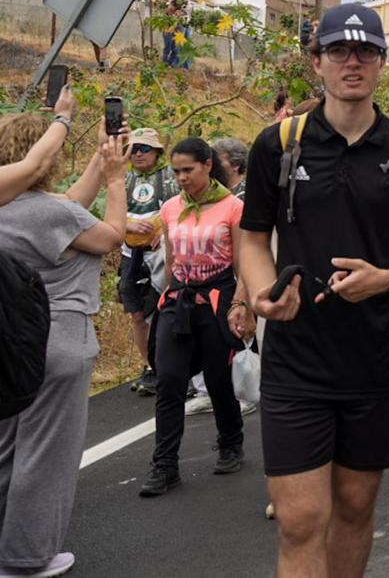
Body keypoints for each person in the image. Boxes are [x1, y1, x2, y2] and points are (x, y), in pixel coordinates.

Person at [237, 4, 389, 578]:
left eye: (366, 52)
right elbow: (253, 238)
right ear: (317, 63)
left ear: (383, 64)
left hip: (375, 357)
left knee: (356, 509)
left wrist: (386, 279)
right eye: (338, 51)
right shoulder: (277, 145)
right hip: (296, 359)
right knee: (301, 519)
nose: (352, 63)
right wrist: (261, 296)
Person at [0, 115, 128, 578]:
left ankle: (5, 543)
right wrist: (116, 178)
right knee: (48, 453)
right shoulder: (51, 214)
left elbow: (73, 202)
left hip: (10, 336)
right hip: (59, 336)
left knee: (8, 447)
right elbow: (112, 235)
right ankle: (27, 556)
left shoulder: (10, 206)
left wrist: (101, 153)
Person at [139, 138, 253, 496]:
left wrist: (241, 304)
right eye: (175, 172)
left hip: (219, 300)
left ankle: (231, 442)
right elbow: (172, 260)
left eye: (187, 170)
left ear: (207, 165)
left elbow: (243, 263)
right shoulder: (172, 208)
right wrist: (169, 298)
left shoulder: (233, 207)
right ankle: (165, 465)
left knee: (218, 379)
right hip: (179, 300)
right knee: (169, 380)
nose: (181, 178)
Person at [120, 128, 180, 398]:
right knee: (136, 313)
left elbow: (185, 206)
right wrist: (128, 224)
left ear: (157, 152)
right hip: (130, 251)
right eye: (133, 148)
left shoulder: (170, 176)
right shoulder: (122, 178)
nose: (138, 153)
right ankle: (148, 366)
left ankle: (167, 367)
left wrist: (164, 232)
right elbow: (108, 214)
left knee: (162, 310)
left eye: (145, 148)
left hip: (161, 252)